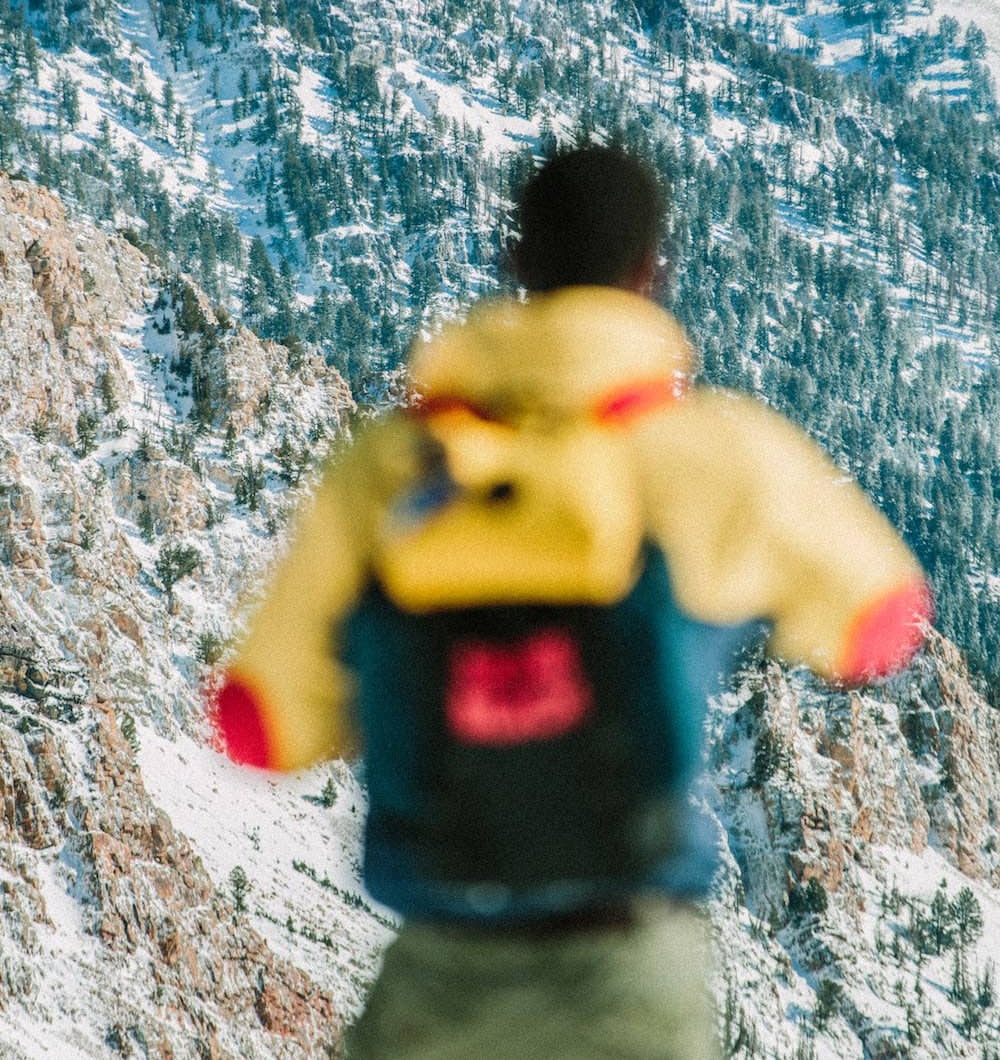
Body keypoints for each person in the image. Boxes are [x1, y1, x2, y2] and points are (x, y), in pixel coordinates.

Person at [212, 144, 931, 1060]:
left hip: (444, 966)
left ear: (517, 264)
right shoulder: (713, 456)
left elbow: (256, 725)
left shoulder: (387, 472)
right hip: (627, 966)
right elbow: (883, 621)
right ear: (651, 273)